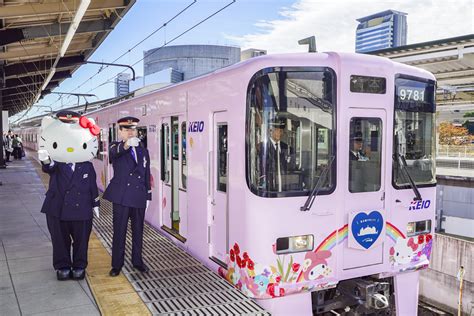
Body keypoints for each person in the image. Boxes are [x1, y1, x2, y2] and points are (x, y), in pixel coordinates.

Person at [38, 111, 100, 281]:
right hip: (57, 208)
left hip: (83, 208)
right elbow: (48, 168)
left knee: (81, 240)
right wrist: (45, 160)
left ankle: (80, 265)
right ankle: (62, 266)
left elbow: (92, 186)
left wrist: (95, 204)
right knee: (59, 239)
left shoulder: (87, 166)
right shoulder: (56, 164)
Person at [103, 116, 152, 277]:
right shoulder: (115, 146)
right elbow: (113, 154)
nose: (131, 132)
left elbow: (146, 173)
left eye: (133, 129)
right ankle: (117, 264)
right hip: (122, 197)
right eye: (127, 129)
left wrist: (148, 196)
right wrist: (125, 145)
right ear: (120, 131)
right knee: (119, 231)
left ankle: (137, 262)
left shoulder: (142, 149)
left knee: (138, 231)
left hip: (138, 196)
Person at [259, 116, 294, 192]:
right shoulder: (262, 147)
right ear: (270, 131)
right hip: (269, 188)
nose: (280, 133)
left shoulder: (287, 148)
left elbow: (291, 167)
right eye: (277, 130)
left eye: (281, 130)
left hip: (285, 186)